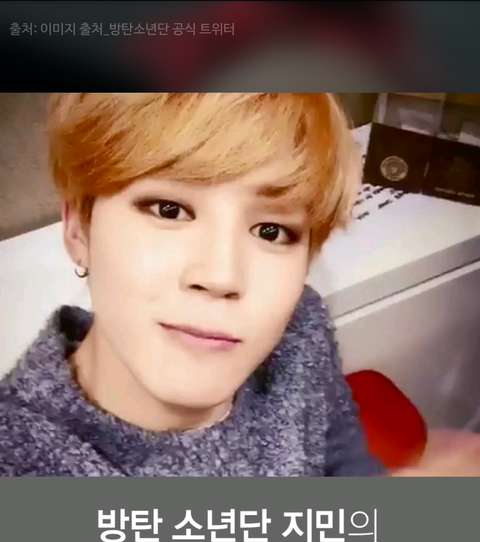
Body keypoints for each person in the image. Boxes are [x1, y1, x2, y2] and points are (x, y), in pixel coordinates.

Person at [0, 92, 477, 477]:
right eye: (169, 210)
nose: (221, 276)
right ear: (78, 230)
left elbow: (339, 453)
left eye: (270, 231)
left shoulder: (300, 327)